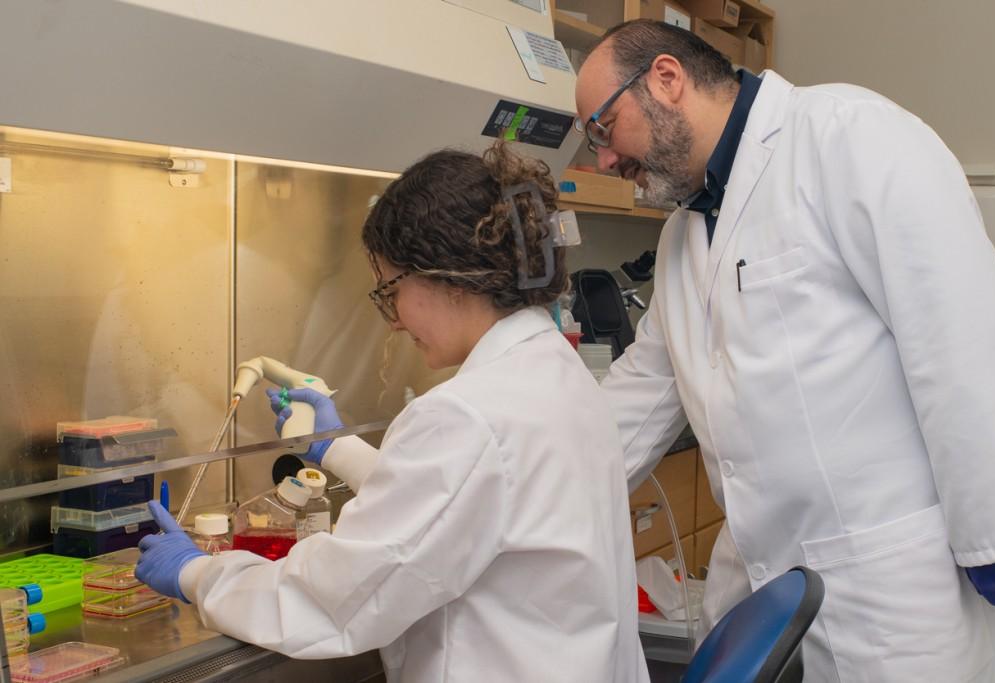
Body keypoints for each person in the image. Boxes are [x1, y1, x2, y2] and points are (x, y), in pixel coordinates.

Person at [574, 18, 995, 682]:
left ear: (666, 79)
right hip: (767, 592)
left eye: (602, 131)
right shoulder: (681, 238)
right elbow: (635, 402)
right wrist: (532, 479)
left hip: (895, 594)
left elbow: (960, 340)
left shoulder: (850, 138)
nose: (604, 160)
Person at [134, 142, 649, 683]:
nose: (394, 321)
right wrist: (339, 448)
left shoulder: (468, 415)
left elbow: (340, 599)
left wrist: (197, 572)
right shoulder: (555, 372)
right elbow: (470, 510)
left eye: (390, 290)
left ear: (446, 274)